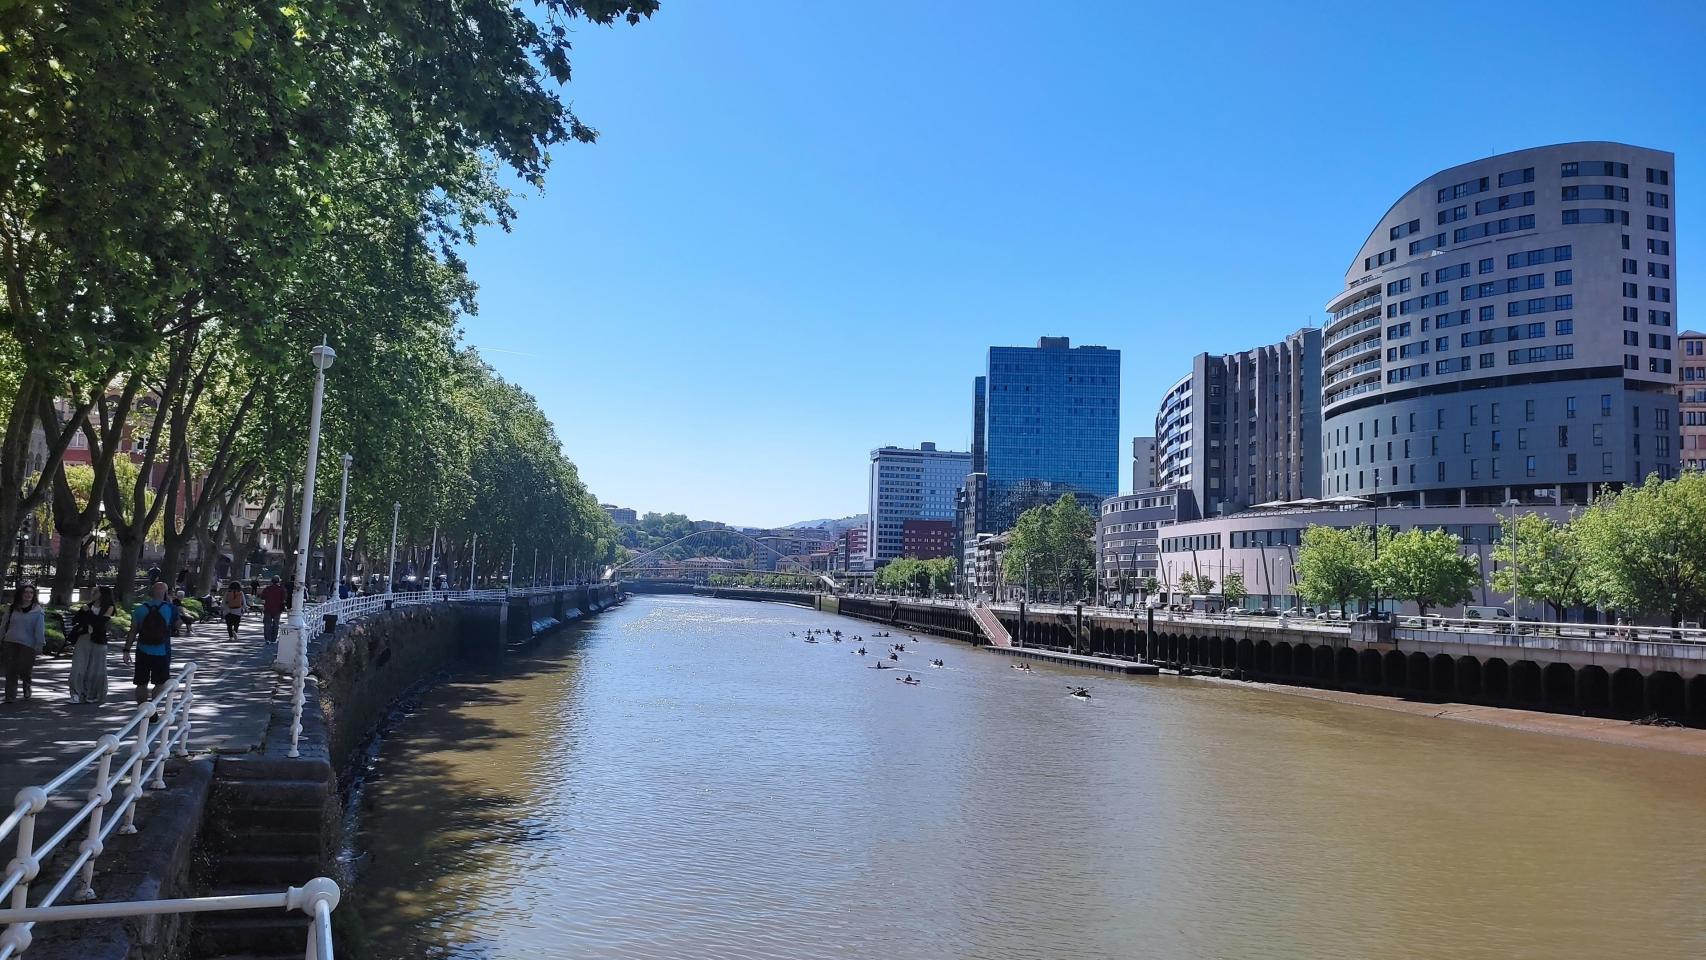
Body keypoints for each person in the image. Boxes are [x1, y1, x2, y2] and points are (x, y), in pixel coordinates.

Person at [123, 582, 176, 704]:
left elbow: (133, 631)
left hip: (142, 650)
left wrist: (126, 650)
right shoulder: (170, 608)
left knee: (141, 683)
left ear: (151, 593)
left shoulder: (140, 609)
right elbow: (177, 625)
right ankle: (152, 709)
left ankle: (142, 708)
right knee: (160, 683)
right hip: (162, 651)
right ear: (165, 593)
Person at [67, 587, 117, 705]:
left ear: (103, 594)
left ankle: (92, 694)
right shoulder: (87, 606)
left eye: (96, 592)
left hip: (98, 640)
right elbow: (76, 620)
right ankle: (76, 694)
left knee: (96, 668)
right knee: (78, 666)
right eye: (92, 591)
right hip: (84, 638)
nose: (92, 593)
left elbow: (99, 624)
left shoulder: (109, 607)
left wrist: (88, 614)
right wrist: (88, 617)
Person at [2, 585, 46, 703]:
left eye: (31, 592)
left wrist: (40, 644)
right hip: (10, 641)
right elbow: (4, 625)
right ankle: (10, 696)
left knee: (25, 669)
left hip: (28, 644)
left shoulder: (38, 611)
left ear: (34, 595)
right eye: (25, 592)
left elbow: (39, 629)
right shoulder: (12, 608)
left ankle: (27, 685)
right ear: (20, 594)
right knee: (11, 670)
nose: (28, 594)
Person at [260, 576, 286, 645]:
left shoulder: (267, 589)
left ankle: (267, 639)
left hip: (268, 608)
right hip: (277, 609)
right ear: (278, 581)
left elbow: (262, 597)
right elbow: (283, 599)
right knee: (276, 624)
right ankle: (273, 639)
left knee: (267, 624)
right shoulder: (281, 589)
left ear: (271, 581)